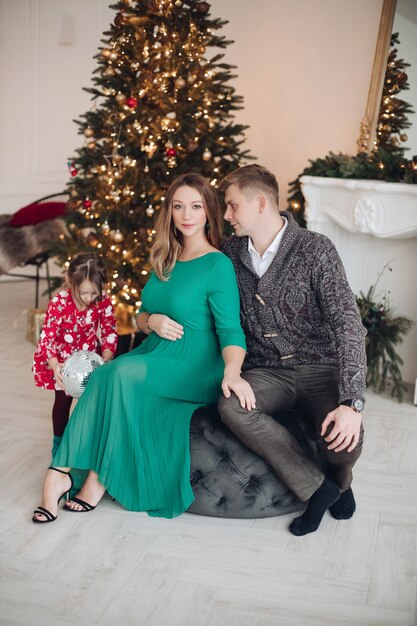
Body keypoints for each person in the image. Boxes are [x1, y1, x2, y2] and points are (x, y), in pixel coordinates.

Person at [32, 173, 254, 524]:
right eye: (178, 206)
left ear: (209, 212)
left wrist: (232, 372)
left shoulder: (217, 265)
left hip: (194, 362)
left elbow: (230, 330)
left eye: (196, 206)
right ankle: (68, 473)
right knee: (106, 374)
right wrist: (152, 322)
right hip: (156, 350)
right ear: (169, 211)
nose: (187, 215)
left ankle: (78, 475)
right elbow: (139, 315)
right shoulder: (166, 255)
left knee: (120, 373)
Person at [217, 164, 367, 536]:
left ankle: (340, 476)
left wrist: (352, 402)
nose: (226, 215)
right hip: (267, 371)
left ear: (261, 203)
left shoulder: (316, 250)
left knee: (346, 439)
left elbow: (348, 324)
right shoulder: (228, 253)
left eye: (233, 206)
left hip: (321, 367)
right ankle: (319, 488)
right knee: (231, 407)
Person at [33, 253, 118, 458]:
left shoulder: (103, 301)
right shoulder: (59, 303)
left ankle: (85, 442)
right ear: (70, 282)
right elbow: (48, 338)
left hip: (89, 359)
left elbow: (109, 330)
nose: (89, 298)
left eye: (94, 293)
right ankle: (59, 445)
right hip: (61, 360)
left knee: (90, 402)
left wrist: (107, 355)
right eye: (83, 292)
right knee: (63, 401)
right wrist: (55, 366)